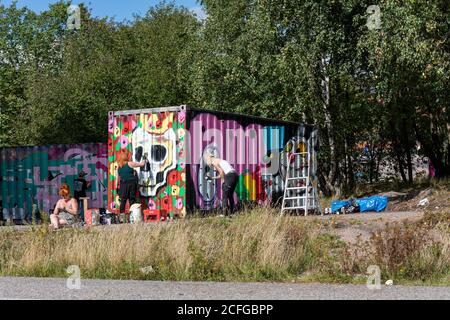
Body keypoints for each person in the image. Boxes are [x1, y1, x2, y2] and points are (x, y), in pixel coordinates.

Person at [117, 149, 146, 215]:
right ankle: (133, 215)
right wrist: (144, 158)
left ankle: (122, 216)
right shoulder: (130, 163)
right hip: (131, 183)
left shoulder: (119, 166)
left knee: (123, 201)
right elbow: (142, 164)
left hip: (123, 184)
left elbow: (117, 178)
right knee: (131, 199)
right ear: (126, 157)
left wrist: (117, 187)